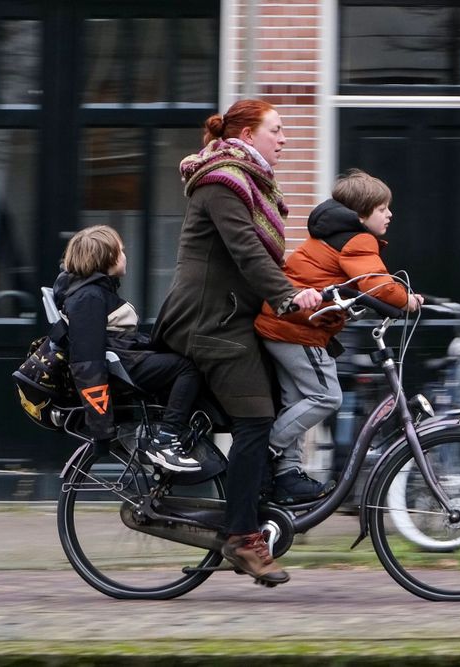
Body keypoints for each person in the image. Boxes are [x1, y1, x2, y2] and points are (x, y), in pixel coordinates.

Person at [153, 99, 321, 586]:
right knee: (256, 419)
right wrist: (288, 299)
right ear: (248, 135)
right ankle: (242, 536)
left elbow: (267, 258)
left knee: (284, 384)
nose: (284, 138)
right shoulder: (222, 182)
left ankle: (271, 488)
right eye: (277, 129)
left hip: (230, 318)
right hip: (208, 323)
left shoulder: (249, 182)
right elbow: (247, 251)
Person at [254, 169, 423, 503]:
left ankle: (287, 475)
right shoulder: (357, 239)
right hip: (298, 329)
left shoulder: (333, 236)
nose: (390, 214)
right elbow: (376, 282)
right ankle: (264, 453)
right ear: (361, 215)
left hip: (281, 324)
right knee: (326, 397)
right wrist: (408, 301)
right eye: (382, 209)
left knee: (296, 402)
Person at [53, 225, 202, 473]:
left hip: (126, 361)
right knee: (187, 368)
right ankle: (166, 439)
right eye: (120, 251)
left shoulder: (94, 290)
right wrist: (101, 428)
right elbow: (87, 363)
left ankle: (162, 436)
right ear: (105, 258)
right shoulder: (88, 297)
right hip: (123, 368)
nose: (125, 255)